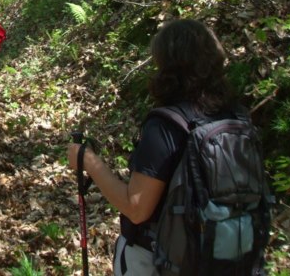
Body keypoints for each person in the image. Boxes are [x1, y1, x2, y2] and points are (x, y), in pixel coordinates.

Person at [66, 19, 238, 275]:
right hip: (227, 252)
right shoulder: (235, 117)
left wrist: (87, 161)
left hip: (159, 257)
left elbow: (137, 208)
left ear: (168, 65)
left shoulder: (167, 125)